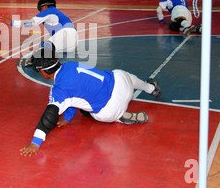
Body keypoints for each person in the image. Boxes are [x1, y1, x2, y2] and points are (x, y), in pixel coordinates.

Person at [20, 48, 161, 157]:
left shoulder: (58, 91)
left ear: (43, 73)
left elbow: (50, 115)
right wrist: (67, 119)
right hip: (122, 84)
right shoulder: (71, 64)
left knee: (90, 111)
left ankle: (120, 117)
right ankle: (151, 88)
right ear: (56, 59)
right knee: (121, 74)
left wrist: (35, 142)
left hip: (110, 110)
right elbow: (78, 91)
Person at [2, 0, 78, 57]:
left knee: (43, 48)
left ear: (44, 6)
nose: (39, 11)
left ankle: (34, 61)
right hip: (72, 44)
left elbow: (31, 23)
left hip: (66, 35)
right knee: (46, 47)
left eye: (39, 8)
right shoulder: (56, 14)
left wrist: (12, 23)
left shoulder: (49, 10)